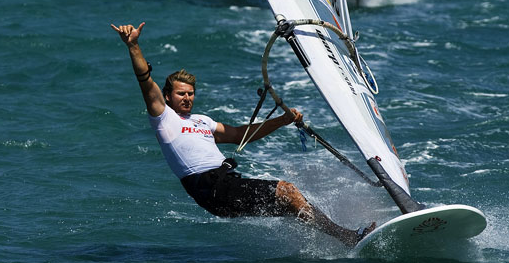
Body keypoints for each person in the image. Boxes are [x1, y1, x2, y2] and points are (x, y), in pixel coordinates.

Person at [111, 21, 375, 247]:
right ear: (167, 97)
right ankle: (348, 237)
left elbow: (240, 134)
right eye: (181, 94)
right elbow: (145, 80)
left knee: (290, 202)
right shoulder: (163, 118)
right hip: (209, 188)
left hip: (225, 184)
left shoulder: (203, 121)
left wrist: (282, 120)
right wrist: (133, 46)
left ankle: (333, 244)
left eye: (191, 93)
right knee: (287, 191)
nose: (187, 98)